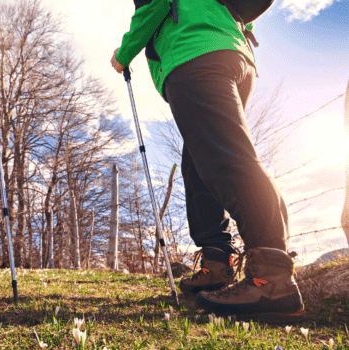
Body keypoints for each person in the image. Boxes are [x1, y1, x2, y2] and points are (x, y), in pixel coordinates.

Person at [111, 0, 305, 322]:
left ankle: (271, 278)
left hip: (194, 53)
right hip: (230, 50)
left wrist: (124, 52)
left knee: (227, 160)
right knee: (200, 163)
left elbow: (155, 4)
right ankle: (216, 263)